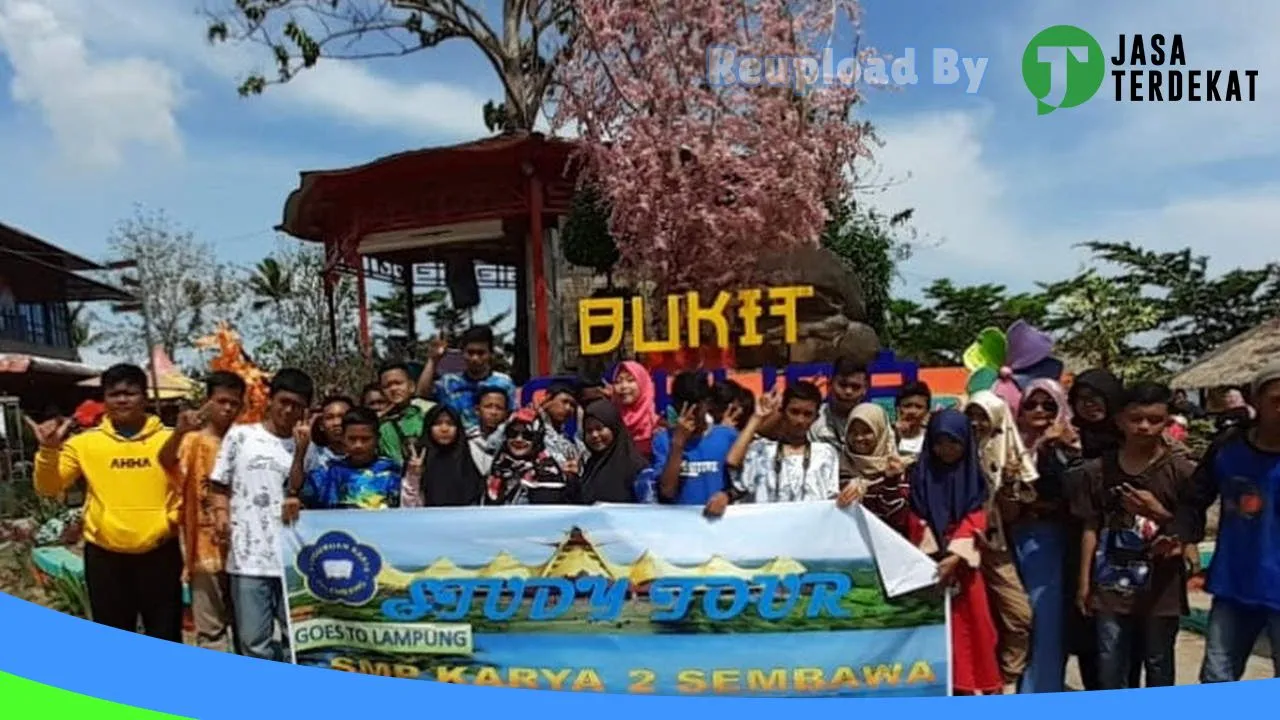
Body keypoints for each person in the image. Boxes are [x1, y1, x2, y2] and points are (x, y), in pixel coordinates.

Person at [30, 364, 182, 641]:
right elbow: (48, 487)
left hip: (160, 554)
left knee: (166, 637)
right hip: (106, 558)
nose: (122, 400)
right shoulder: (84, 444)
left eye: (130, 393)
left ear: (144, 398)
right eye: (114, 394)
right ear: (105, 399)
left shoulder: (171, 440)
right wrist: (48, 451)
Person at [1072, 381, 1194, 689]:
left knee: (1159, 663)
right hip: (1110, 585)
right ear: (1120, 421)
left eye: (1154, 420)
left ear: (1167, 422)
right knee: (1110, 662)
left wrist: (1158, 514)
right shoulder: (1098, 471)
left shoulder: (1181, 470)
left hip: (1162, 587)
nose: (1144, 427)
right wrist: (1084, 583)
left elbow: (1190, 524)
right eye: (1136, 418)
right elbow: (1090, 527)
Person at [1178, 362, 1280, 683]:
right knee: (1217, 677)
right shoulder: (1227, 447)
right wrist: (1187, 538)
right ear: (1255, 402)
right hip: (1234, 583)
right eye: (1277, 400)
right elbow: (1195, 497)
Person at [210, 367, 315, 662]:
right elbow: (218, 482)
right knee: (254, 641)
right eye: (283, 401)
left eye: (296, 405)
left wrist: (301, 451)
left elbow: (302, 490)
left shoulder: (308, 446)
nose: (288, 410)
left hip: (293, 558)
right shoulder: (241, 436)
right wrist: (220, 515)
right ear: (270, 398)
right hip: (248, 559)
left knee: (297, 640)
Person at [906, 409, 1002, 695]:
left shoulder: (975, 477)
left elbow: (976, 516)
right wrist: (933, 553)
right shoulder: (919, 475)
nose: (946, 450)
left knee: (975, 626)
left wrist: (955, 556)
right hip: (929, 564)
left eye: (954, 442)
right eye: (940, 442)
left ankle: (973, 684)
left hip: (964, 567)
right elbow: (913, 516)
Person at [158, 371, 246, 651]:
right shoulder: (191, 441)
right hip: (203, 547)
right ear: (208, 401)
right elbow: (166, 461)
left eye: (234, 403)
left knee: (247, 626)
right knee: (210, 630)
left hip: (244, 548)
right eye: (221, 401)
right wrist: (179, 431)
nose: (228, 408)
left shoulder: (246, 441)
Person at [1066, 368, 1137, 691]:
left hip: (1128, 549)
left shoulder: (1134, 440)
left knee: (1129, 638)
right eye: (1081, 399)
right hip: (1078, 546)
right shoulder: (1066, 440)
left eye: (1097, 398)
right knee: (1088, 636)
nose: (1089, 405)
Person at [965, 390, 1037, 694]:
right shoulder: (953, 448)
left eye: (984, 416)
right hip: (961, 546)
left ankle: (1008, 679)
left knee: (1018, 615)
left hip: (995, 546)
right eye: (972, 414)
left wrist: (1008, 483)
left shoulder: (1006, 452)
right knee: (970, 619)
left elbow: (1012, 513)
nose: (977, 423)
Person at [1012, 378, 1077, 693]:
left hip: (1048, 540)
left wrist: (1052, 446)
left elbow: (1066, 492)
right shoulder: (1009, 443)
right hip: (1011, 537)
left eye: (1048, 405)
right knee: (1015, 617)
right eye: (1031, 404)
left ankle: (1041, 690)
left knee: (1045, 618)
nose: (1039, 411)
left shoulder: (1070, 446)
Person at [706, 383, 847, 516]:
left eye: (807, 414)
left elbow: (832, 498)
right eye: (794, 412)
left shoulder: (826, 453)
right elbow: (732, 461)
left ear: (816, 417)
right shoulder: (762, 450)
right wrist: (757, 416)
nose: (800, 420)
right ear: (782, 412)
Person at [651, 372, 739, 506]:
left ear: (707, 403)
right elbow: (667, 491)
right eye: (682, 406)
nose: (690, 413)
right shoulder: (662, 441)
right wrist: (677, 445)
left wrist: (727, 496)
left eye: (696, 407)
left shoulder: (727, 436)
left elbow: (744, 484)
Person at [293, 407, 403, 511]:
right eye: (352, 439)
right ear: (343, 438)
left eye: (365, 439)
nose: (358, 445)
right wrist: (300, 452)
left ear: (377, 438)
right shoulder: (328, 473)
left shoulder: (393, 472)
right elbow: (295, 491)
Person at [417, 325, 517, 430]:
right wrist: (433, 360)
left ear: (490, 354)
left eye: (480, 353)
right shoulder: (449, 382)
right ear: (462, 353)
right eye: (470, 352)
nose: (475, 358)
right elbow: (422, 393)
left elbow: (512, 416)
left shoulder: (504, 383)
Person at [484, 407, 582, 505]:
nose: (519, 439)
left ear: (537, 438)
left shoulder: (549, 472)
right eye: (512, 433)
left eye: (527, 435)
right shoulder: (497, 467)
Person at [840, 402, 910, 536]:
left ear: (881, 432)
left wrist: (891, 482)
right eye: (853, 432)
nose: (859, 438)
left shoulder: (898, 468)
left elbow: (898, 518)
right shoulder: (838, 467)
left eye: (867, 432)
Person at [402, 405, 484, 507]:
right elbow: (408, 507)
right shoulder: (418, 460)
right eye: (438, 423)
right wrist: (414, 476)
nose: (444, 429)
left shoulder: (470, 458)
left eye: (450, 424)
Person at [580, 399, 647, 503]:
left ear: (614, 428)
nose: (594, 435)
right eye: (589, 431)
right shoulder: (591, 466)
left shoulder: (635, 466)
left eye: (599, 428)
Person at [810, 357, 870, 451]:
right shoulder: (814, 419)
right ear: (829, 384)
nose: (848, 392)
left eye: (855, 387)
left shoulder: (875, 420)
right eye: (842, 385)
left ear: (865, 389)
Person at [377, 363, 431, 465]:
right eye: (387, 386)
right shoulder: (381, 428)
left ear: (411, 386)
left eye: (398, 383)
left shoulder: (426, 418)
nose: (393, 389)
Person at [611, 360, 659, 458]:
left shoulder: (657, 424)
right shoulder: (610, 421)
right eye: (618, 381)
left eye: (630, 380)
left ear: (643, 383)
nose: (623, 386)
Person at [540, 381, 587, 469]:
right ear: (548, 400)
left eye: (573, 405)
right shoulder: (535, 430)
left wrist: (581, 420)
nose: (568, 408)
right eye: (564, 402)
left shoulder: (569, 440)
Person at [468, 386, 511, 475]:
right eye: (488, 407)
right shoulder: (466, 441)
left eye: (499, 408)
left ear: (506, 413)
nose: (493, 412)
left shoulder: (512, 441)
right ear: (477, 410)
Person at [312, 395, 354, 467]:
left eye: (342, 417)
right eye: (329, 418)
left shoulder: (366, 457)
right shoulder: (313, 457)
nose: (337, 423)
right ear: (321, 425)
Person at [895, 381, 932, 458]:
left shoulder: (931, 438)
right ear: (898, 409)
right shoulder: (888, 436)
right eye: (907, 406)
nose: (912, 411)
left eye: (919, 407)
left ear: (927, 411)